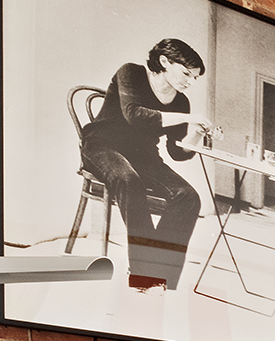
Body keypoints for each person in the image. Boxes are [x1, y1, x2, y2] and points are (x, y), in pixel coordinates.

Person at [82, 38, 209, 293]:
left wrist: (196, 133)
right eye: (186, 73)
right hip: (103, 146)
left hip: (143, 157)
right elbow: (135, 114)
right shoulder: (131, 72)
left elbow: (177, 152)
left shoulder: (181, 102)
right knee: (129, 181)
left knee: (189, 197)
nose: (190, 82)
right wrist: (188, 118)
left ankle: (162, 278)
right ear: (164, 61)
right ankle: (144, 275)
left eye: (194, 78)